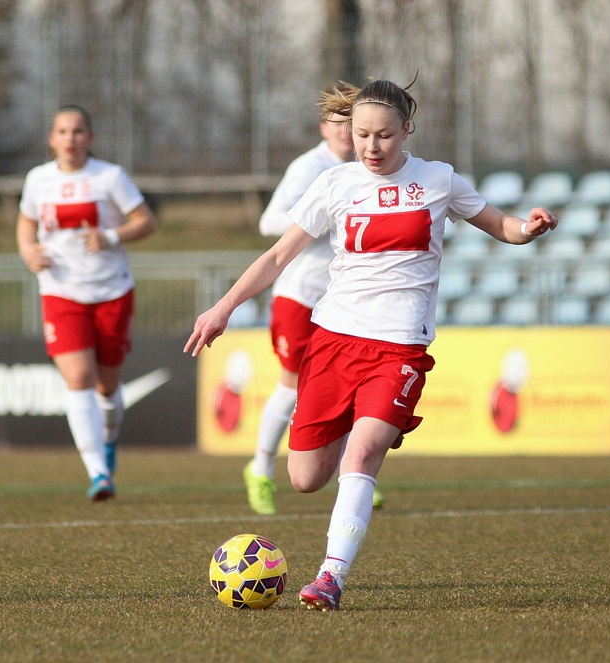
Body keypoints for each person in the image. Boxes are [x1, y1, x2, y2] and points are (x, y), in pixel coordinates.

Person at [185, 78, 557, 611]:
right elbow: (276, 257)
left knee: (363, 452)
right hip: (333, 341)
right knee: (306, 477)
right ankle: (340, 456)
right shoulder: (335, 184)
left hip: (400, 347)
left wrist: (529, 228)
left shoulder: (438, 180)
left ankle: (329, 578)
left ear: (407, 130)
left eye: (384, 135)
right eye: (362, 135)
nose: (372, 147)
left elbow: (500, 225)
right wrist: (223, 308)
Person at [16, 105, 158, 502]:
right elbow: (26, 223)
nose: (70, 138)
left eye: (78, 131)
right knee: (77, 377)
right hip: (61, 291)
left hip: (111, 290)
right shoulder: (38, 180)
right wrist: (28, 251)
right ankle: (98, 473)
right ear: (52, 138)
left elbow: (146, 221)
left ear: (90, 138)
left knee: (106, 384)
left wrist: (110, 237)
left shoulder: (109, 176)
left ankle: (108, 441)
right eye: (62, 131)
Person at [242, 102, 368, 516]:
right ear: (323, 127)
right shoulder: (308, 167)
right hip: (300, 295)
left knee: (349, 391)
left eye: (354, 124)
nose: (347, 132)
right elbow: (268, 222)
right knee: (291, 385)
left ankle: (354, 473)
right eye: (339, 123)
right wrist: (318, 221)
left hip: (342, 300)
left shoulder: (367, 169)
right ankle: (260, 469)